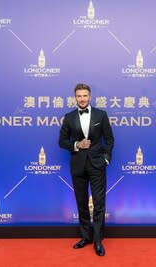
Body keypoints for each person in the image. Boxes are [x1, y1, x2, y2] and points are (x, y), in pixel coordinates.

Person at [59, 83, 114, 256]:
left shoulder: (101, 115)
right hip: (78, 165)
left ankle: (97, 240)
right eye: (79, 96)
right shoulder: (68, 117)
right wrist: (76, 144)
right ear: (75, 97)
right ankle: (85, 237)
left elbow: (110, 139)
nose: (82, 99)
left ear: (90, 97)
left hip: (97, 165)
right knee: (81, 202)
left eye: (85, 95)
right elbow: (62, 141)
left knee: (99, 203)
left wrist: (106, 158)